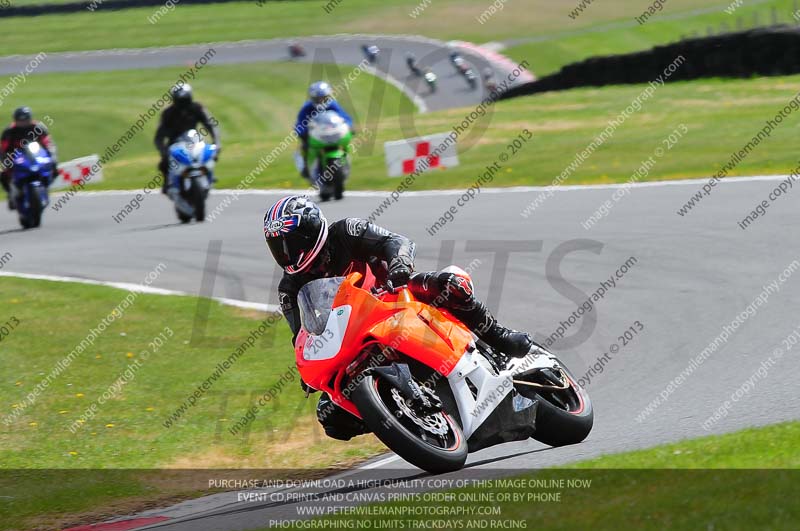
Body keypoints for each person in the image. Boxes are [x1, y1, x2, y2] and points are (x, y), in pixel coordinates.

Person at [263, 195, 534, 440]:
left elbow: (396, 242)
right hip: (355, 335)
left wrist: (399, 265)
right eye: (278, 246)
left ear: (311, 231)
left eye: (292, 243)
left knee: (451, 284)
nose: (286, 253)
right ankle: (393, 414)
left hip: (394, 295)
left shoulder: (346, 231)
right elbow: (301, 334)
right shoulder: (289, 288)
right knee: (330, 416)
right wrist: (308, 369)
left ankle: (499, 337)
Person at [154, 84, 220, 193]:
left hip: (193, 140)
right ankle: (168, 183)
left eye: (185, 100)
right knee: (164, 164)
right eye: (180, 100)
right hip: (174, 143)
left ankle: (208, 174)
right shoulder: (168, 113)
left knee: (210, 153)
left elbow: (211, 125)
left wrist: (217, 142)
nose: (183, 104)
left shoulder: (197, 108)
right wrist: (163, 152)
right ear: (174, 100)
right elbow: (158, 137)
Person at [0, 107, 57, 210]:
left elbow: (48, 143)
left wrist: (52, 156)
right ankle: (11, 195)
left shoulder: (38, 127)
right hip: (16, 157)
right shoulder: (9, 131)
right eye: (20, 120)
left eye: (25, 120)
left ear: (30, 118)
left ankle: (46, 186)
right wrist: (6, 161)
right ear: (15, 120)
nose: (23, 123)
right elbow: (3, 149)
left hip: (35, 155)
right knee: (3, 174)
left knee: (55, 168)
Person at [294, 82, 353, 179]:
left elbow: (345, 117)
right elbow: (300, 122)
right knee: (305, 146)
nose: (321, 101)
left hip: (332, 133)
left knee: (345, 142)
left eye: (323, 98)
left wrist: (348, 125)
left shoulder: (333, 105)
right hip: (315, 134)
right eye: (318, 98)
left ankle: (344, 160)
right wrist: (302, 132)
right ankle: (306, 166)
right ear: (313, 98)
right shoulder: (307, 107)